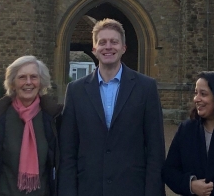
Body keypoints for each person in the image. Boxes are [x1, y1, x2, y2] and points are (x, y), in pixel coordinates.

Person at [58, 18, 165, 196]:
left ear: (123, 47)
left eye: (114, 42)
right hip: (89, 189)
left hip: (131, 189)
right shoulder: (75, 91)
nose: (108, 47)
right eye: (102, 42)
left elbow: (155, 150)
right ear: (94, 49)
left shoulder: (146, 88)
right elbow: (68, 152)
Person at [0, 55, 62, 196]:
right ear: (12, 83)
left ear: (41, 82)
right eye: (22, 77)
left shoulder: (53, 117)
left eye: (34, 77)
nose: (28, 82)